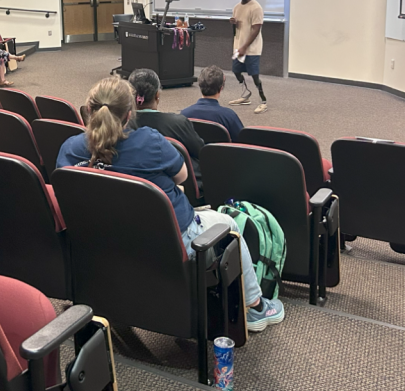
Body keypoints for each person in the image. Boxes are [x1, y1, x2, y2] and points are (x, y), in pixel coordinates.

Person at [57, 76, 284, 332]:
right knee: (229, 225)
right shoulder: (149, 141)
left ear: (88, 110)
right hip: (167, 243)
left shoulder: (70, 149)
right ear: (129, 113)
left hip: (105, 241)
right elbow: (183, 177)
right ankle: (255, 307)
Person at [128, 68, 204, 191]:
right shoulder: (179, 123)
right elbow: (201, 152)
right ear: (157, 95)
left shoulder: (119, 125)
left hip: (135, 188)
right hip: (183, 188)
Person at [229, 0, 267, 114]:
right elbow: (236, 31)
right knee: (236, 71)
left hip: (251, 48)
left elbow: (256, 30)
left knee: (254, 75)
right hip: (238, 46)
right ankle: (246, 95)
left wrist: (245, 47)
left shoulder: (256, 8)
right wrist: (233, 24)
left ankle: (263, 101)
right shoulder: (236, 7)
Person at [181, 65, 244, 141]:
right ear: (221, 88)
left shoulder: (184, 115)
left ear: (200, 85)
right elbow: (243, 141)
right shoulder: (229, 116)